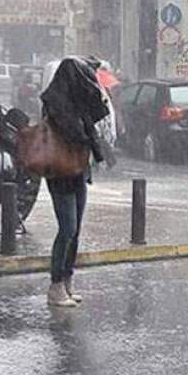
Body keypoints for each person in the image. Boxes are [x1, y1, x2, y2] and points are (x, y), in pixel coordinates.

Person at [40, 56, 112, 308]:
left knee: (76, 230)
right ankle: (55, 286)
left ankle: (67, 281)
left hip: (79, 170)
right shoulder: (56, 103)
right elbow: (75, 132)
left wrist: (102, 156)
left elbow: (91, 127)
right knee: (67, 228)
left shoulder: (76, 102)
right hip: (60, 173)